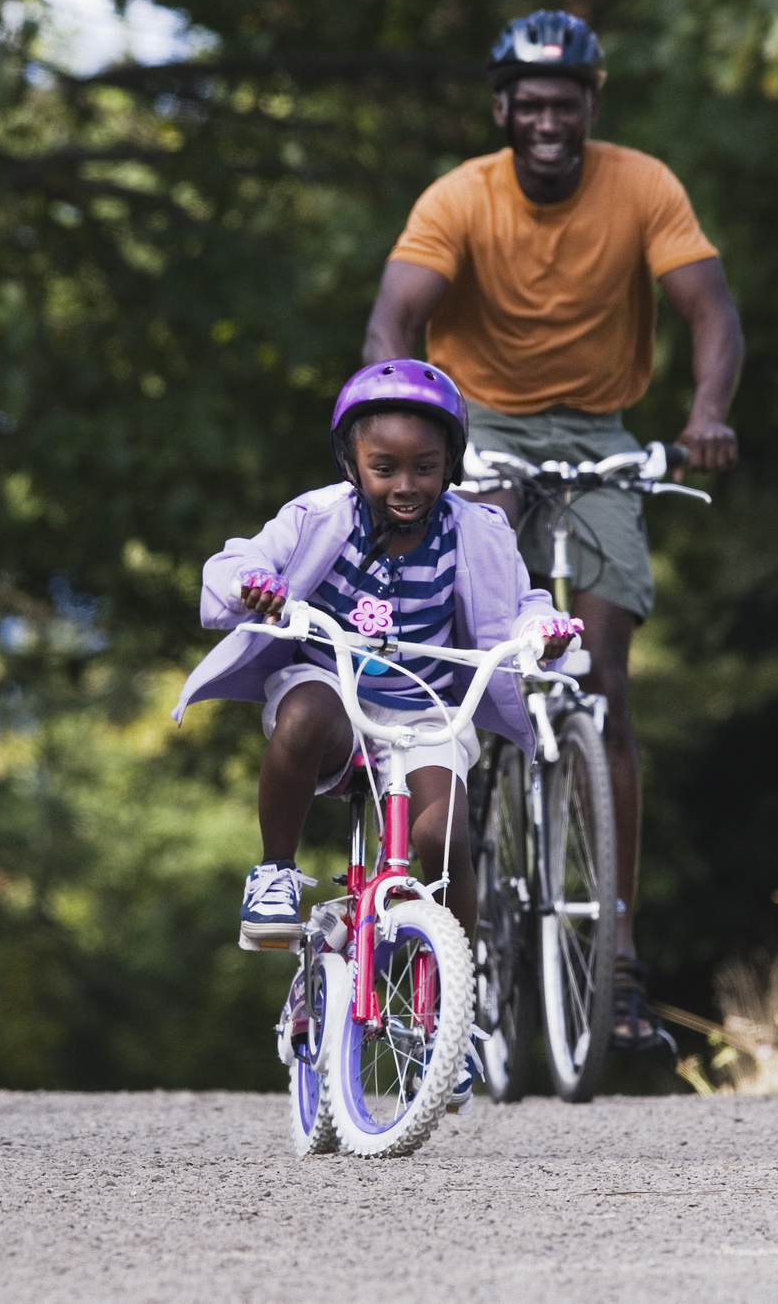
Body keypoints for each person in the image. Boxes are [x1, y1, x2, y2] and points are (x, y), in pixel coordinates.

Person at [359, 10, 746, 1053]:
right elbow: (394, 322)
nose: (545, 120)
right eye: (527, 104)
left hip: (601, 437)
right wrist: (403, 424)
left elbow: (709, 310)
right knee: (482, 670)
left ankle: (615, 959)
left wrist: (704, 414)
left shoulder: (641, 185)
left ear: (588, 107)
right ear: (501, 109)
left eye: (563, 103)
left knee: (604, 676)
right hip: (475, 427)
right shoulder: (458, 198)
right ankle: (466, 943)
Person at [173, 359, 579, 1107]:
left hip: (427, 709)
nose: (405, 484)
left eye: (426, 467)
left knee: (445, 837)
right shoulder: (315, 518)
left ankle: (453, 1009)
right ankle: (273, 871)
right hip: (335, 698)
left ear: (450, 465)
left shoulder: (477, 532)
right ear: (352, 464)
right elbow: (234, 567)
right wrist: (252, 589)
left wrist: (544, 631)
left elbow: (521, 605)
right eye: (384, 466)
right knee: (300, 716)